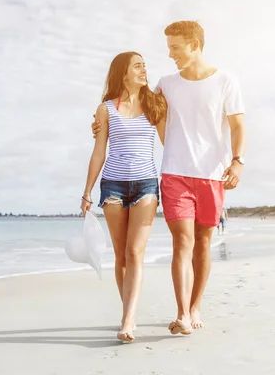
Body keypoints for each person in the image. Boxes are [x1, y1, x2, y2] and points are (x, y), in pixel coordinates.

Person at [91, 21, 246, 335]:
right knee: (182, 242)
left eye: (175, 47)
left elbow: (238, 126)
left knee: (202, 243)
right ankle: (182, 315)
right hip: (174, 172)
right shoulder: (165, 84)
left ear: (194, 44)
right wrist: (99, 124)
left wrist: (237, 162)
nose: (170, 54)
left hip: (212, 175)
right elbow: (132, 103)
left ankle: (194, 306)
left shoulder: (226, 81)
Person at [80, 52, 167, 342]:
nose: (144, 70)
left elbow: (170, 141)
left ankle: (128, 320)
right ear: (123, 73)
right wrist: (87, 192)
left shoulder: (155, 104)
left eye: (145, 66)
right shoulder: (105, 109)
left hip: (146, 186)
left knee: (134, 253)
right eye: (138, 65)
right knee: (121, 256)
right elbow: (98, 152)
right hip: (113, 186)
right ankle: (127, 312)